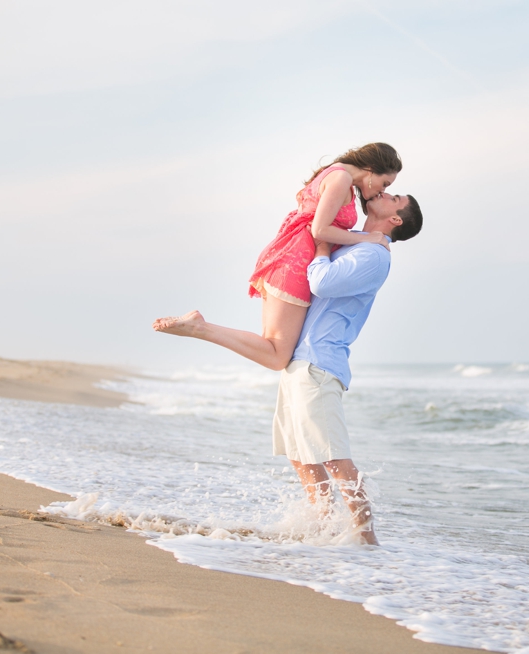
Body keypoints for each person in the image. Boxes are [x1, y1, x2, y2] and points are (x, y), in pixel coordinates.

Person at [152, 143, 402, 370]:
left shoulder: (337, 174)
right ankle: (201, 327)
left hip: (291, 256)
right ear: (371, 169)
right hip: (294, 261)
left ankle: (200, 327)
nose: (383, 190)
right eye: (385, 183)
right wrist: (367, 238)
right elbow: (320, 230)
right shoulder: (340, 179)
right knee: (276, 355)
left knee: (273, 348)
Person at [272, 191, 423, 545]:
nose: (386, 193)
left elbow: (321, 282)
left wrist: (322, 246)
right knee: (301, 456)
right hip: (300, 358)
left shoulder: (373, 254)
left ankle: (367, 543)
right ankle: (320, 528)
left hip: (320, 362)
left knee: (335, 459)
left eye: (395, 196)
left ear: (396, 218)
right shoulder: (357, 241)